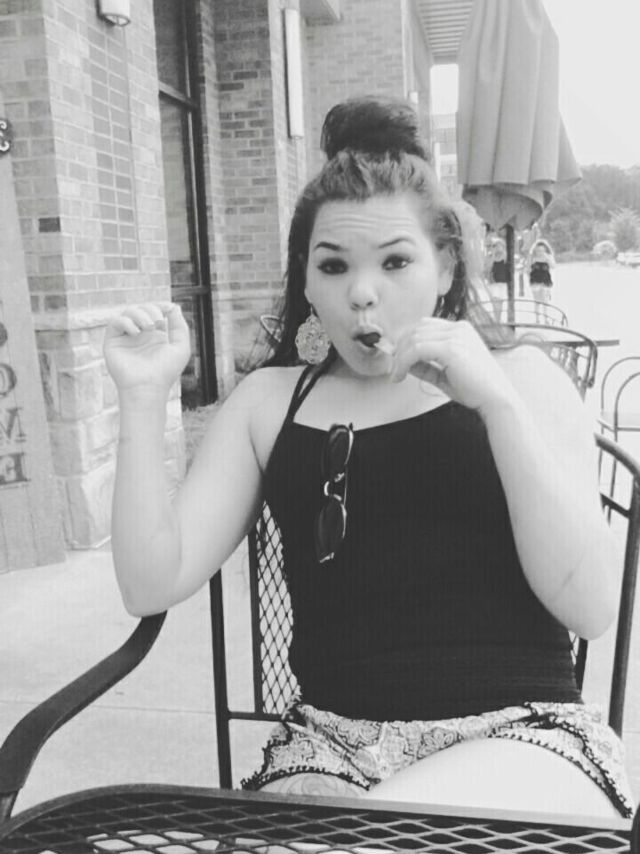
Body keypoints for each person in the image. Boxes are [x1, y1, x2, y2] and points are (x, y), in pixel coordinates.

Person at [103, 96, 633, 818]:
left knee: (377, 832)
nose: (361, 293)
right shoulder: (270, 403)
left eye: (395, 261)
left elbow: (591, 607)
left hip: (522, 738)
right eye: (333, 265)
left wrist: (497, 408)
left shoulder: (523, 380)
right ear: (306, 280)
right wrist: (142, 397)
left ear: (445, 267)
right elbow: (149, 581)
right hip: (333, 750)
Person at [484, 237, 509, 320]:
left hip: (502, 282)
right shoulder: (489, 257)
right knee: (494, 302)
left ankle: (498, 318)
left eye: (499, 246)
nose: (497, 248)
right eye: (495, 246)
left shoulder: (505, 256)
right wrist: (493, 255)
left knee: (500, 302)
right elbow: (487, 268)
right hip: (493, 283)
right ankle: (496, 318)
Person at [528, 239, 555, 312]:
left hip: (546, 281)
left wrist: (547, 259)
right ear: (535, 250)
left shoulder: (548, 256)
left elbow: (553, 266)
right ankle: (537, 317)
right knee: (537, 301)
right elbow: (528, 268)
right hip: (535, 281)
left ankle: (545, 316)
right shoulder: (532, 257)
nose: (540, 252)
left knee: (545, 300)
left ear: (545, 250)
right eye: (538, 251)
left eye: (542, 251)